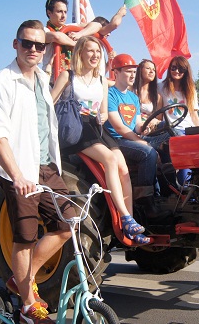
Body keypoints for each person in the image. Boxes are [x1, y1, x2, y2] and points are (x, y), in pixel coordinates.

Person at [0, 19, 78, 324]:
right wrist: (18, 176)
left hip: (47, 167)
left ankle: (21, 279)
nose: (34, 49)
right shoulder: (1, 81)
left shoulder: (41, 78)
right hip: (19, 171)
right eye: (27, 43)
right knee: (24, 238)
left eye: (40, 45)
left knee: (70, 223)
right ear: (16, 44)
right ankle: (27, 306)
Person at [51, 36, 149, 245]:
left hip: (96, 127)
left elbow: (103, 111)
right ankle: (124, 215)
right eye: (90, 51)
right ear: (80, 53)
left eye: (98, 52)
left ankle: (129, 223)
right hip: (78, 127)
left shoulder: (102, 81)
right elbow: (50, 103)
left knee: (123, 168)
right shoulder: (68, 76)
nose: (95, 55)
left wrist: (103, 115)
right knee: (110, 160)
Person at [105, 54, 169, 222]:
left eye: (134, 71)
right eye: (128, 71)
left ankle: (170, 193)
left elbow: (138, 125)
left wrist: (149, 127)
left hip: (132, 137)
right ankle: (146, 203)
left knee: (169, 141)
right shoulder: (110, 94)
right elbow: (119, 127)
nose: (132, 75)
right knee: (148, 152)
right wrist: (140, 140)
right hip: (117, 141)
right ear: (116, 73)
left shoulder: (133, 97)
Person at [160, 56, 199, 184]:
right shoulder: (161, 87)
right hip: (170, 130)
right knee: (181, 147)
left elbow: (194, 116)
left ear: (186, 71)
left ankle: (190, 188)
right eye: (173, 68)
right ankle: (181, 187)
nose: (177, 71)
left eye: (181, 69)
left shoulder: (190, 90)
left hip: (186, 130)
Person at [132, 59, 170, 161]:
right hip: (134, 130)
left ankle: (170, 172)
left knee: (168, 128)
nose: (151, 71)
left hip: (149, 130)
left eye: (153, 69)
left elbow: (158, 119)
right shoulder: (130, 90)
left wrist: (150, 124)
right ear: (140, 70)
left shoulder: (157, 96)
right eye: (148, 68)